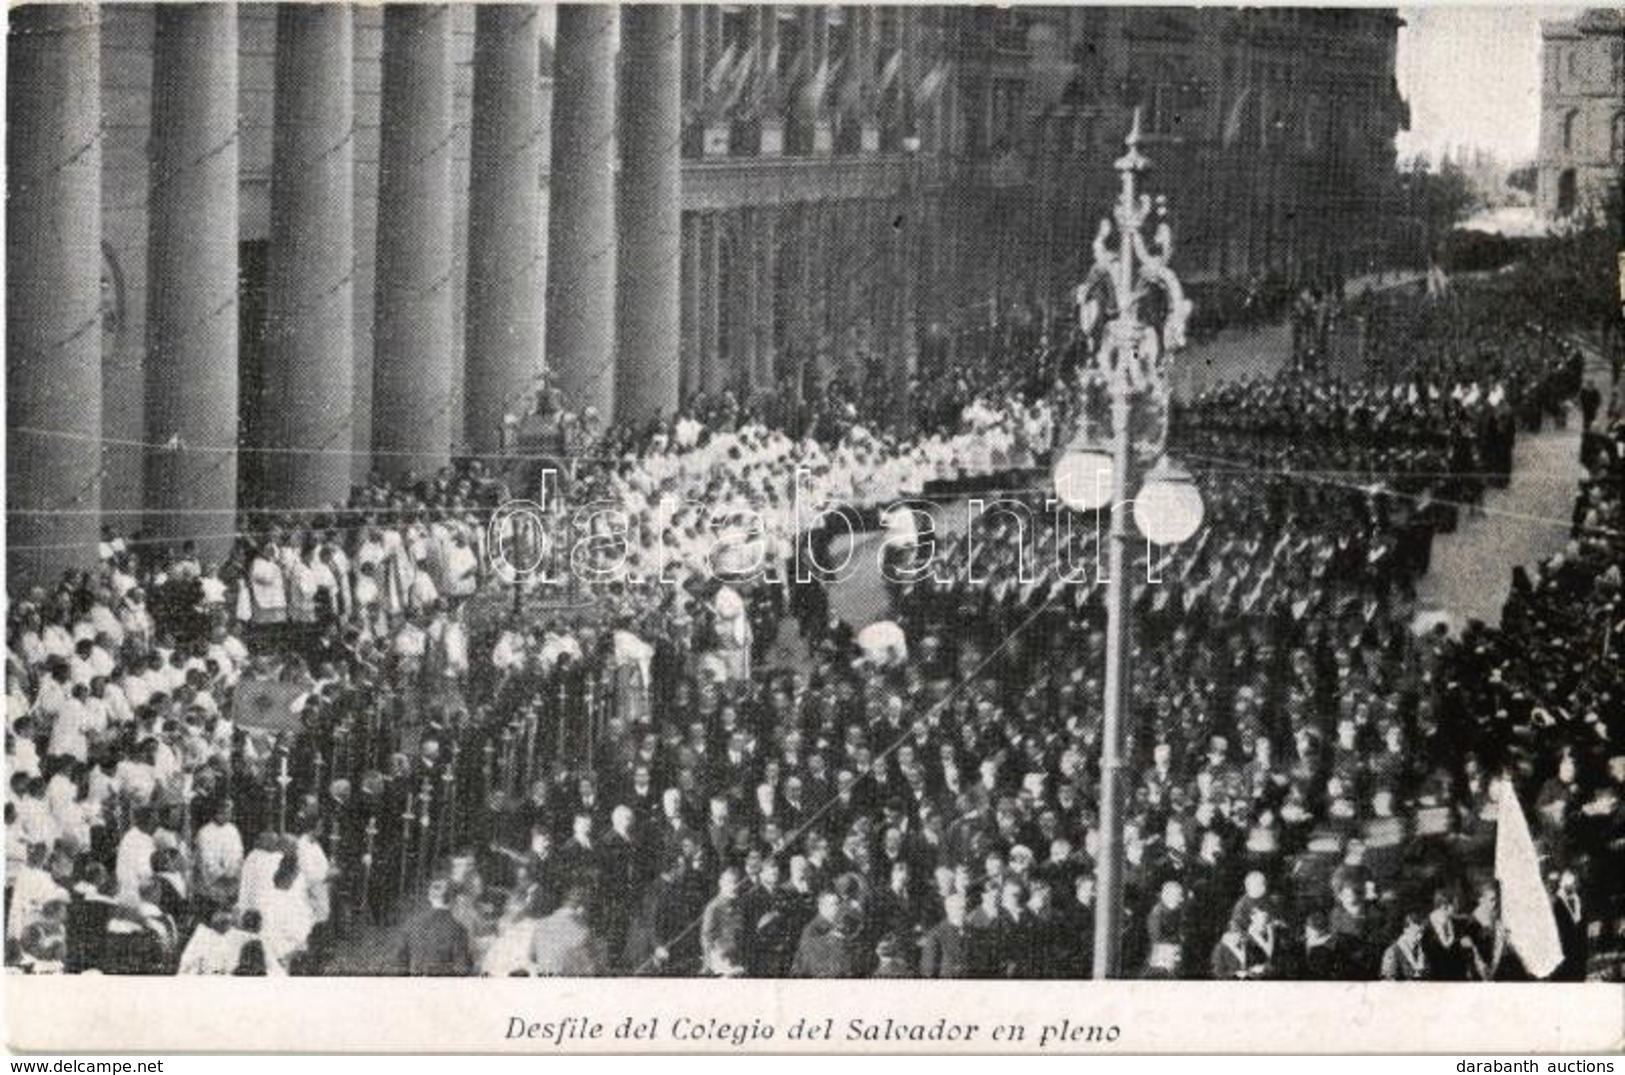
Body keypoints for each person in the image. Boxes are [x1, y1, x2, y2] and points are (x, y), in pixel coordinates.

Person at [393, 877, 473, 976]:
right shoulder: (459, 930)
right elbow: (462, 969)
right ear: (454, 900)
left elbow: (399, 962)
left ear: (429, 897)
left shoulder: (411, 924)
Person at [530, 886, 608, 976]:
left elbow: (532, 957)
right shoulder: (582, 931)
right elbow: (592, 970)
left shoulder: (541, 925)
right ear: (581, 909)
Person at [1380, 913, 1429, 981]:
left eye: (1421, 932)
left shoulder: (1421, 952)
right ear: (1405, 930)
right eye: (1415, 932)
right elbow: (1388, 984)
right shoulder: (1392, 952)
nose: (1419, 937)